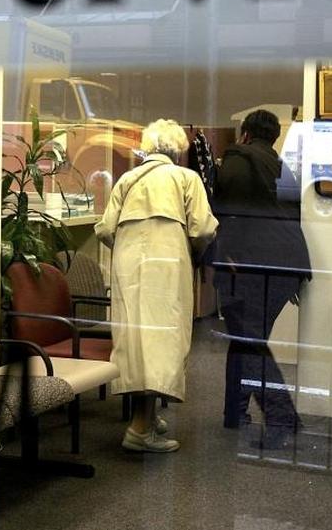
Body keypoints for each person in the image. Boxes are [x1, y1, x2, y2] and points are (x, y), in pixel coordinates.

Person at [95, 119, 218, 453]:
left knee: (134, 338)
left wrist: (127, 248)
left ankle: (143, 417)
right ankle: (140, 430)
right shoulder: (186, 178)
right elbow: (204, 228)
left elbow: (105, 229)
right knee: (162, 339)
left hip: (128, 262)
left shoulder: (128, 179)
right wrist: (191, 251)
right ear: (178, 150)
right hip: (169, 261)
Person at [212, 110, 312, 448]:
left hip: (252, 267)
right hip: (287, 264)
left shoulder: (238, 157)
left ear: (245, 134)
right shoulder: (281, 167)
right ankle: (234, 413)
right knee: (246, 339)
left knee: (250, 343)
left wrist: (229, 254)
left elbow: (230, 212)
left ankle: (283, 418)